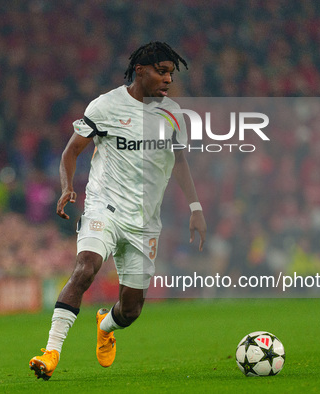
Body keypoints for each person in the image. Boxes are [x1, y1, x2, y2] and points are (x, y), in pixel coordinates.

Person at [29, 41, 207, 380]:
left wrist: (195, 207)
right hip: (103, 206)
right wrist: (68, 187)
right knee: (85, 269)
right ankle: (50, 352)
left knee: (131, 310)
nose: (168, 79)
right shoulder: (106, 106)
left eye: (171, 73)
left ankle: (105, 326)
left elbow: (179, 160)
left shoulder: (173, 114)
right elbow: (71, 152)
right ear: (140, 71)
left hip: (143, 221)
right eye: (162, 71)